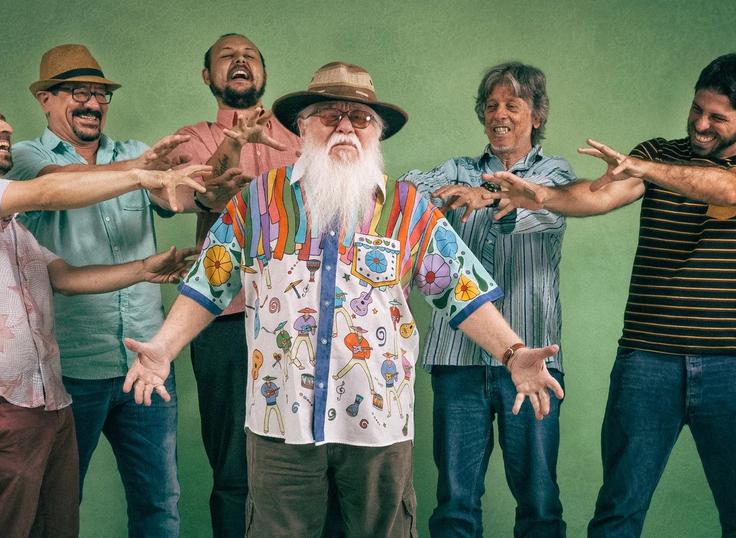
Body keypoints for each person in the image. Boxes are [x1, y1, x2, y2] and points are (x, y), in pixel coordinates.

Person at [122, 61, 564, 537]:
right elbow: (208, 284)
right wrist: (163, 348)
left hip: (378, 423)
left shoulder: (406, 207)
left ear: (375, 132)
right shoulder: (258, 200)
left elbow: (463, 291)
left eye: (360, 118)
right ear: (303, 126)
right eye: (331, 115)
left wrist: (513, 352)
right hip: (280, 423)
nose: (346, 127)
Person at [484, 53, 736, 537]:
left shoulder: (653, 162)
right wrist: (538, 195)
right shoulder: (657, 153)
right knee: (618, 510)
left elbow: (724, 189)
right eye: (696, 110)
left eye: (717, 117)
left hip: (730, 365)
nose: (700, 125)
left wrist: (646, 167)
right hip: (648, 360)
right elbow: (596, 196)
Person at [0, 86, 207, 538]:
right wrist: (142, 175)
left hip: (45, 401)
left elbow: (64, 277)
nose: (5, 126)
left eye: (1, 117)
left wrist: (144, 268)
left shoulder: (8, 223)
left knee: (55, 526)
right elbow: (47, 189)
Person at [402, 61, 575, 537]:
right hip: (457, 362)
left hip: (534, 359)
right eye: (491, 105)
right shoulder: (456, 170)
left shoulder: (556, 174)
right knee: (455, 504)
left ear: (536, 116)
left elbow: (542, 208)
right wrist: (439, 200)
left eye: (512, 105)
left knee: (540, 501)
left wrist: (485, 196)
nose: (499, 114)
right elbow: (405, 193)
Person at [165, 33, 301, 536]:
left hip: (297, 321)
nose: (240, 61)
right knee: (233, 467)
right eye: (227, 56)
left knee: (303, 459)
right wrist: (236, 145)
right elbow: (200, 194)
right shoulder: (192, 139)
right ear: (208, 77)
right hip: (223, 320)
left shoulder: (300, 140)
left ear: (263, 74)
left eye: (250, 56)